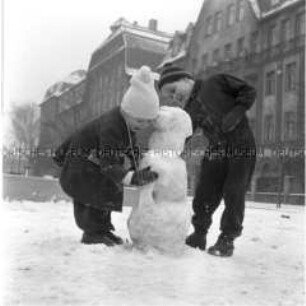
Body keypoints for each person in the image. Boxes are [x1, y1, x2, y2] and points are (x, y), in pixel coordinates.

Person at [53, 66, 159, 246]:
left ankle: (101, 230)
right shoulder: (112, 126)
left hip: (93, 163)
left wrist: (139, 165)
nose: (143, 125)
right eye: (140, 120)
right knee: (94, 195)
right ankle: (92, 233)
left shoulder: (126, 123)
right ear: (127, 111)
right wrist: (133, 177)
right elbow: (108, 164)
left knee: (108, 189)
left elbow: (130, 147)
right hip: (83, 167)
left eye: (148, 121)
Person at [158, 64, 256, 257]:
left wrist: (236, 112)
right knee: (205, 191)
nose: (173, 97)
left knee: (233, 191)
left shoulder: (216, 82)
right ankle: (199, 233)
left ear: (187, 80)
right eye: (169, 96)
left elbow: (248, 90)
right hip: (216, 149)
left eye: (173, 90)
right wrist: (169, 151)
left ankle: (227, 239)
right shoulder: (189, 111)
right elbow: (185, 135)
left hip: (241, 145)